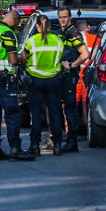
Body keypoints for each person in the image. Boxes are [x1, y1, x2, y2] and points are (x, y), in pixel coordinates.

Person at [0, 7, 30, 161]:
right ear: (14, 20)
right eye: (17, 23)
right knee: (12, 112)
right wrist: (23, 59)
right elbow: (13, 60)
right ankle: (15, 149)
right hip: (4, 78)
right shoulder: (7, 33)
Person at [23, 13, 68, 155]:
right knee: (54, 113)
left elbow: (23, 57)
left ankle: (35, 145)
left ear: (37, 26)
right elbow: (61, 57)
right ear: (48, 26)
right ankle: (57, 144)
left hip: (35, 80)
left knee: (36, 114)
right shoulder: (58, 40)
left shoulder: (32, 41)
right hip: (53, 79)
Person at [54, 8, 86, 152]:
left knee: (70, 109)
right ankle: (61, 140)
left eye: (65, 17)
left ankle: (72, 142)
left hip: (69, 76)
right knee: (61, 108)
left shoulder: (73, 33)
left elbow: (85, 54)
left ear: (70, 18)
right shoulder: (61, 33)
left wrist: (72, 65)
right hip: (60, 77)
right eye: (60, 17)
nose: (63, 20)